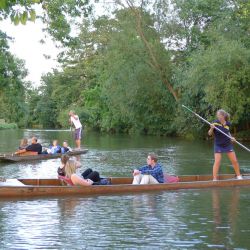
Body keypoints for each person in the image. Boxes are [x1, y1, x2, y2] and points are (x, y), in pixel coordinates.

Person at [208, 109, 242, 181]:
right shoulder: (215, 123)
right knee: (217, 161)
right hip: (218, 144)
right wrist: (211, 128)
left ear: (223, 116)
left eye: (219, 115)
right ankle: (214, 179)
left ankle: (239, 176)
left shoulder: (228, 124)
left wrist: (232, 138)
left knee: (234, 160)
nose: (218, 117)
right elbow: (209, 134)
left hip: (227, 144)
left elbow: (227, 133)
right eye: (217, 115)